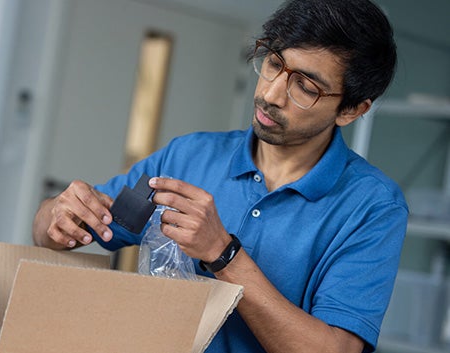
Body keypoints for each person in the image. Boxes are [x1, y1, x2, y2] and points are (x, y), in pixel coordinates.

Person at [32, 0, 408, 352]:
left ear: (353, 109)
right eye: (274, 64)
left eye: (305, 88)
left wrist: (223, 254)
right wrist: (57, 215)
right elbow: (62, 230)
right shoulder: (189, 155)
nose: (272, 94)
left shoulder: (372, 206)